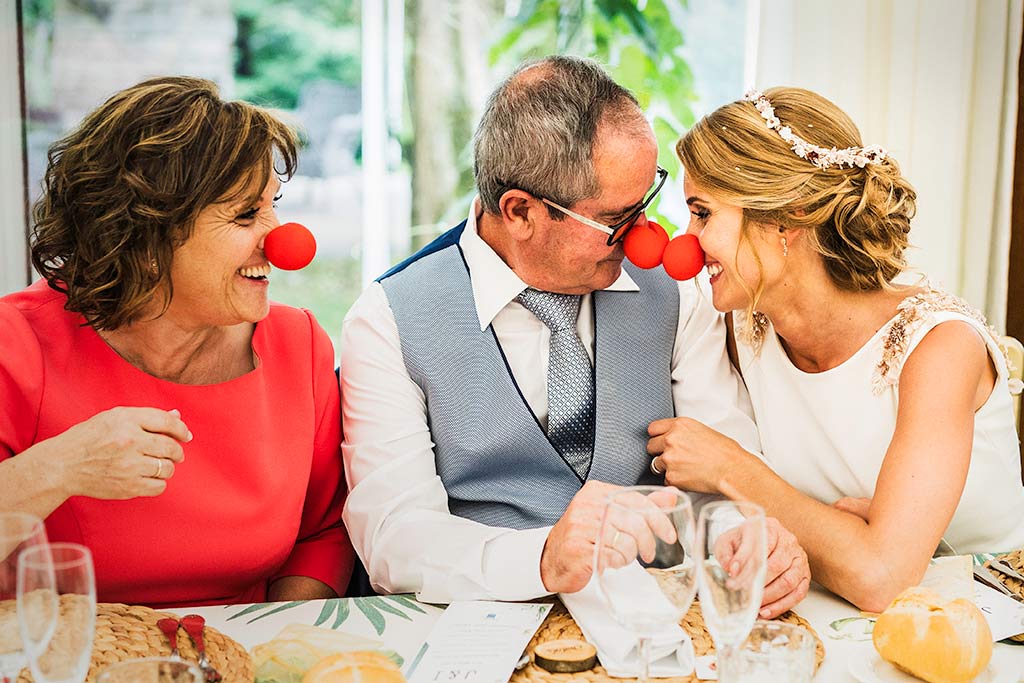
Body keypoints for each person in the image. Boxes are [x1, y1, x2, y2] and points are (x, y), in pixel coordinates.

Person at [340, 56, 810, 616]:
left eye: (648, 203)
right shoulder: (389, 318)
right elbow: (392, 537)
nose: (645, 238)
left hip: (654, 619)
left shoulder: (679, 295)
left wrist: (741, 535)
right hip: (474, 626)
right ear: (520, 212)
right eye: (617, 219)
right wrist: (541, 557)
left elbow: (722, 464)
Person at [650, 86, 1024, 612]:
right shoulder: (733, 324)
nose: (685, 242)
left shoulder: (940, 347)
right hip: (835, 611)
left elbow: (881, 576)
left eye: (703, 214)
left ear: (785, 219)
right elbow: (848, 557)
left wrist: (731, 469)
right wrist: (838, 535)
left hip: (988, 625)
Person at [0, 76, 353, 608]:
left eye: (273, 205)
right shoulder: (16, 346)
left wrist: (278, 646)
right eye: (245, 214)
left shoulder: (296, 344)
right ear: (145, 236)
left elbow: (324, 533)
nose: (283, 240)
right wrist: (58, 467)